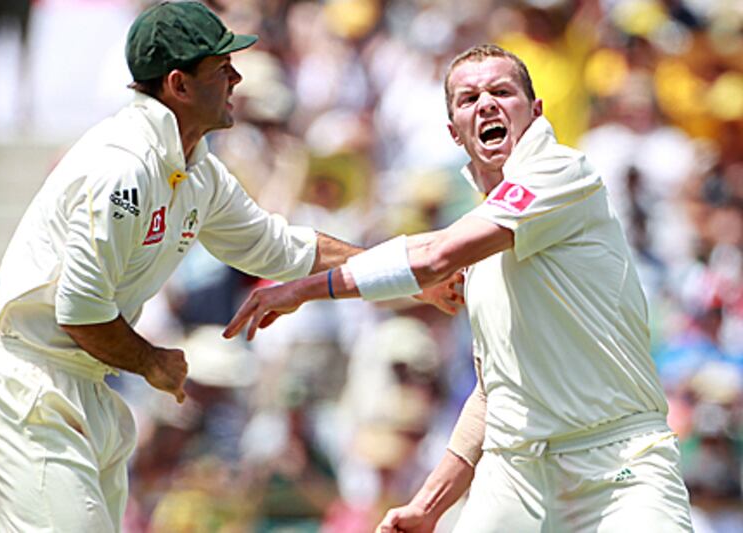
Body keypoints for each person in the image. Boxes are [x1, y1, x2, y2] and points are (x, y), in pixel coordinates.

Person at [0, 3, 461, 531]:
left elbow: (281, 247)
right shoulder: (124, 166)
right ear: (179, 84)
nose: (237, 78)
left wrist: (411, 275)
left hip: (85, 391)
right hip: (27, 391)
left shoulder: (197, 171)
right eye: (221, 69)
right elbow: (79, 313)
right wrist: (154, 362)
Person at [224, 44, 694, 532]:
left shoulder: (560, 171)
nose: (486, 104)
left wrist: (303, 290)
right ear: (454, 133)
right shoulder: (483, 241)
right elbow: (495, 392)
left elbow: (434, 257)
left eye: (501, 92)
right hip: (518, 470)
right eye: (469, 99)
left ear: (535, 112)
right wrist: (429, 506)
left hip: (617, 462)